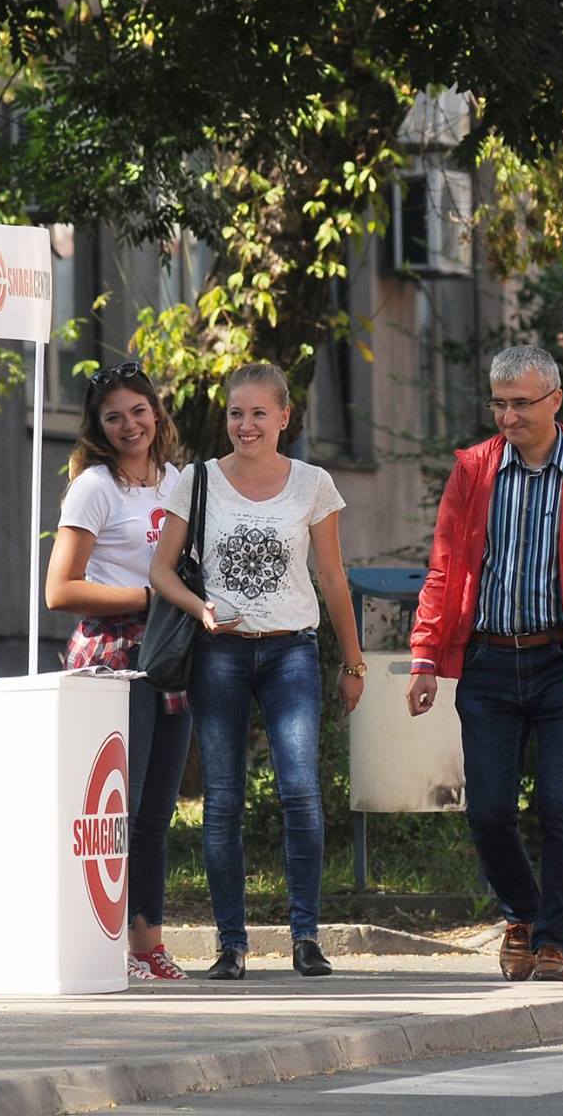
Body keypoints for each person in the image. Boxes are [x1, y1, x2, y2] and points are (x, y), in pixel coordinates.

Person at [405, 345, 563, 984]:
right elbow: (444, 566)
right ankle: (522, 914)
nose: (508, 417)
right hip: (488, 661)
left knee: (562, 806)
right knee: (487, 810)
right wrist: (425, 654)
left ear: (555, 400)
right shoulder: (473, 471)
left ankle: (554, 942)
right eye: (499, 404)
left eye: (521, 404)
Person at [150, 361, 367, 980]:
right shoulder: (197, 480)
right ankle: (231, 944)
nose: (246, 425)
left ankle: (306, 937)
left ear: (284, 418)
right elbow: (161, 570)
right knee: (223, 800)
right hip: (219, 651)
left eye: (259, 414)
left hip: (291, 650)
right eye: (236, 413)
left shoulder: (313, 484)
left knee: (300, 790)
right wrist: (200, 607)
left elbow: (333, 579)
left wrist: (353, 661)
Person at [47, 361, 189, 982]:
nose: (130, 425)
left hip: (171, 653)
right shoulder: (94, 487)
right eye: (114, 417)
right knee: (116, 812)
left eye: (138, 411)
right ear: (97, 427)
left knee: (156, 812)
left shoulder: (179, 482)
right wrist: (151, 598)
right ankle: (102, 946)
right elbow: (60, 589)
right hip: (114, 659)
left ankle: (147, 946)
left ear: (155, 412)